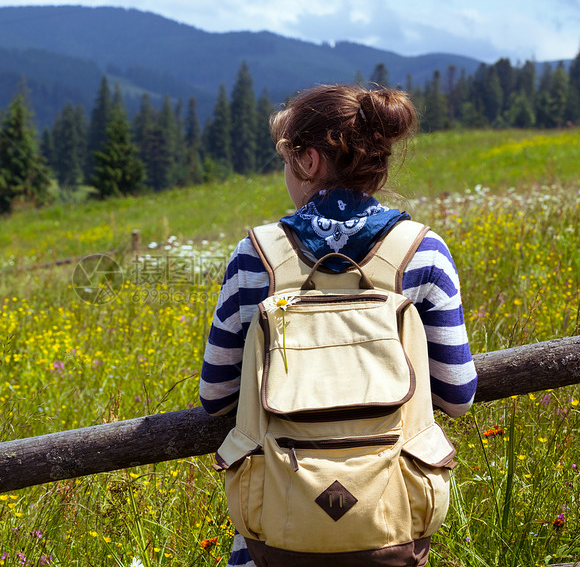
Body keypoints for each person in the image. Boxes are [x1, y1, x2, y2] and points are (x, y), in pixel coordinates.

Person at [199, 84, 478, 567]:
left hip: (273, 543)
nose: (286, 173)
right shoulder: (423, 250)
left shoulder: (256, 257)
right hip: (389, 533)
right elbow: (457, 393)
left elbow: (216, 396)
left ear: (308, 161)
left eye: (287, 160)